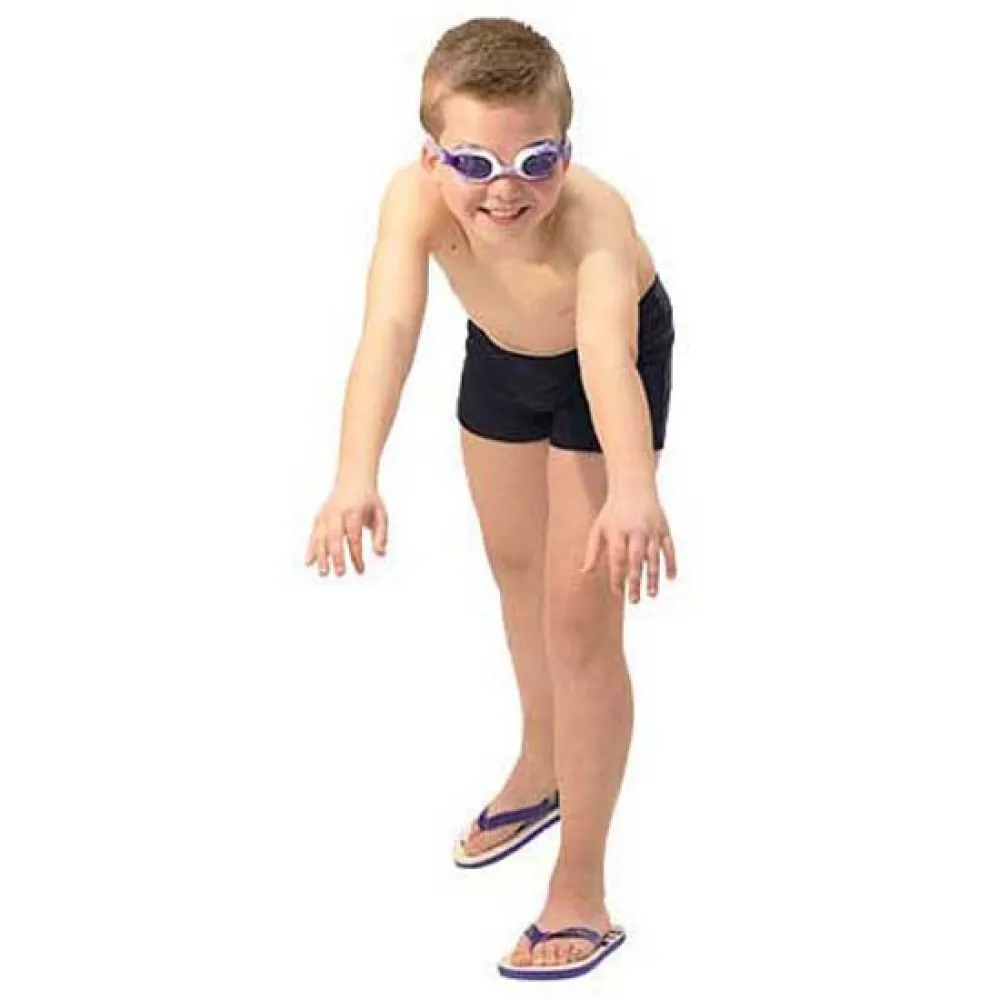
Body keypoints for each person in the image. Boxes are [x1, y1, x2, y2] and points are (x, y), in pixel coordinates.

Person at [304, 16, 678, 981]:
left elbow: (607, 359)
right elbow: (389, 328)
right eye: (474, 162)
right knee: (518, 574)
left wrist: (632, 488)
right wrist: (355, 472)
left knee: (579, 617)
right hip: (503, 357)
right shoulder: (412, 200)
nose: (506, 189)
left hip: (607, 370)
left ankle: (581, 889)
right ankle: (542, 764)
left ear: (568, 151)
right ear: (431, 156)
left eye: (535, 159)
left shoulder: (596, 218)